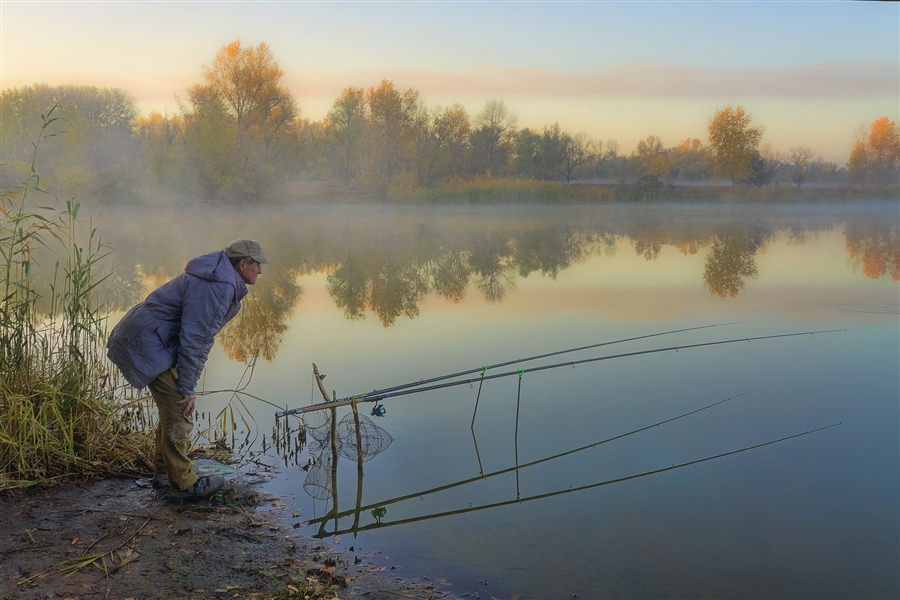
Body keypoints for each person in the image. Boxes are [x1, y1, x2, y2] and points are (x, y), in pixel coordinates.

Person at [107, 239, 268, 500]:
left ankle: (163, 474)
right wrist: (187, 388)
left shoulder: (219, 275)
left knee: (172, 409)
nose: (260, 271)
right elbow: (196, 338)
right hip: (147, 341)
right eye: (258, 264)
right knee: (180, 408)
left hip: (150, 338)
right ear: (243, 264)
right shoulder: (218, 286)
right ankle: (183, 485)